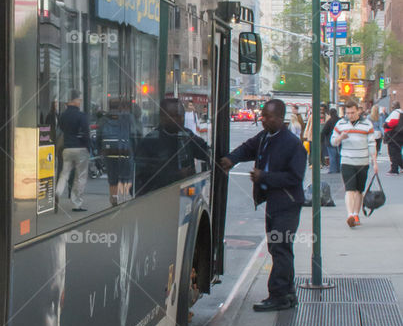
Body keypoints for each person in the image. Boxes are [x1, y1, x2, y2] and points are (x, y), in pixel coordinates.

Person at [219, 98, 307, 312]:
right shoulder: (265, 137)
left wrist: (264, 176)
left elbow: (295, 178)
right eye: (262, 115)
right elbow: (247, 148)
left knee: (280, 248)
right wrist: (230, 160)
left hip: (287, 204)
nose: (262, 120)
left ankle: (280, 295)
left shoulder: (293, 144)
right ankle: (287, 293)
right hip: (273, 203)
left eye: (267, 117)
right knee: (276, 247)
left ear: (279, 118)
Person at [137, 96, 210, 193]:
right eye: (175, 115)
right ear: (162, 117)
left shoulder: (187, 136)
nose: (180, 119)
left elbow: (205, 152)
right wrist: (177, 175)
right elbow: (141, 180)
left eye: (182, 115)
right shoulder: (150, 142)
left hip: (187, 194)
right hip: (160, 197)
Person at [331, 99, 378, 227]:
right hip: (347, 160)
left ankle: (356, 214)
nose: (350, 115)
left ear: (358, 110)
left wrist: (374, 162)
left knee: (359, 190)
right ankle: (350, 215)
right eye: (348, 113)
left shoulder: (367, 124)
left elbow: (372, 143)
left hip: (362, 161)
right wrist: (341, 137)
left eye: (352, 112)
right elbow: (333, 141)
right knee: (349, 190)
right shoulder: (340, 123)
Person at [56, 89, 90, 211]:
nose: (80, 102)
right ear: (74, 101)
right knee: (80, 176)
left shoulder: (63, 116)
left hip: (67, 148)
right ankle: (77, 203)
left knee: (64, 174)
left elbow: (61, 129)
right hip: (80, 148)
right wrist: (88, 147)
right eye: (79, 100)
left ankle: (58, 192)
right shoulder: (81, 116)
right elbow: (86, 133)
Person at [97, 96, 133, 204]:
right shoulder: (127, 118)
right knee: (125, 174)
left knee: (112, 175)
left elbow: (99, 136)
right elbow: (133, 133)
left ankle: (113, 197)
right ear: (120, 107)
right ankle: (124, 198)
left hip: (109, 151)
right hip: (124, 150)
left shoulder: (104, 119)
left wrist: (100, 150)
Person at [384, 101, 403, 174]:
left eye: (392, 106)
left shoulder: (395, 113)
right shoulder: (401, 112)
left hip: (392, 136)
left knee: (392, 153)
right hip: (399, 136)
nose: (391, 108)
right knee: (398, 153)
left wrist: (385, 125)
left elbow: (391, 124)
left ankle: (394, 170)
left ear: (394, 106)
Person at [322, 106, 340, 173]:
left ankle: (333, 170)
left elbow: (324, 131)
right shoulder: (339, 120)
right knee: (338, 156)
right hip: (338, 140)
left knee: (332, 156)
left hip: (330, 141)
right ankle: (338, 169)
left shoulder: (329, 121)